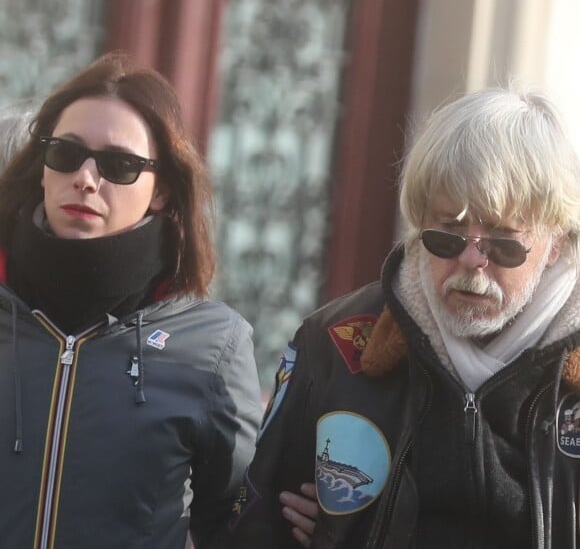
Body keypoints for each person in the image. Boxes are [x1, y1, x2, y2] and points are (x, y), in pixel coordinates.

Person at [227, 84, 580, 548]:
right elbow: (256, 525)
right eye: (448, 234)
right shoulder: (331, 341)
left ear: (555, 242)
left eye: (502, 240)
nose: (472, 261)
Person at [0, 51, 264, 549]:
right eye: (65, 153)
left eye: (119, 165)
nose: (84, 178)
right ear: (42, 168)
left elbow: (239, 526)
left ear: (162, 189)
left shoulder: (213, 346)